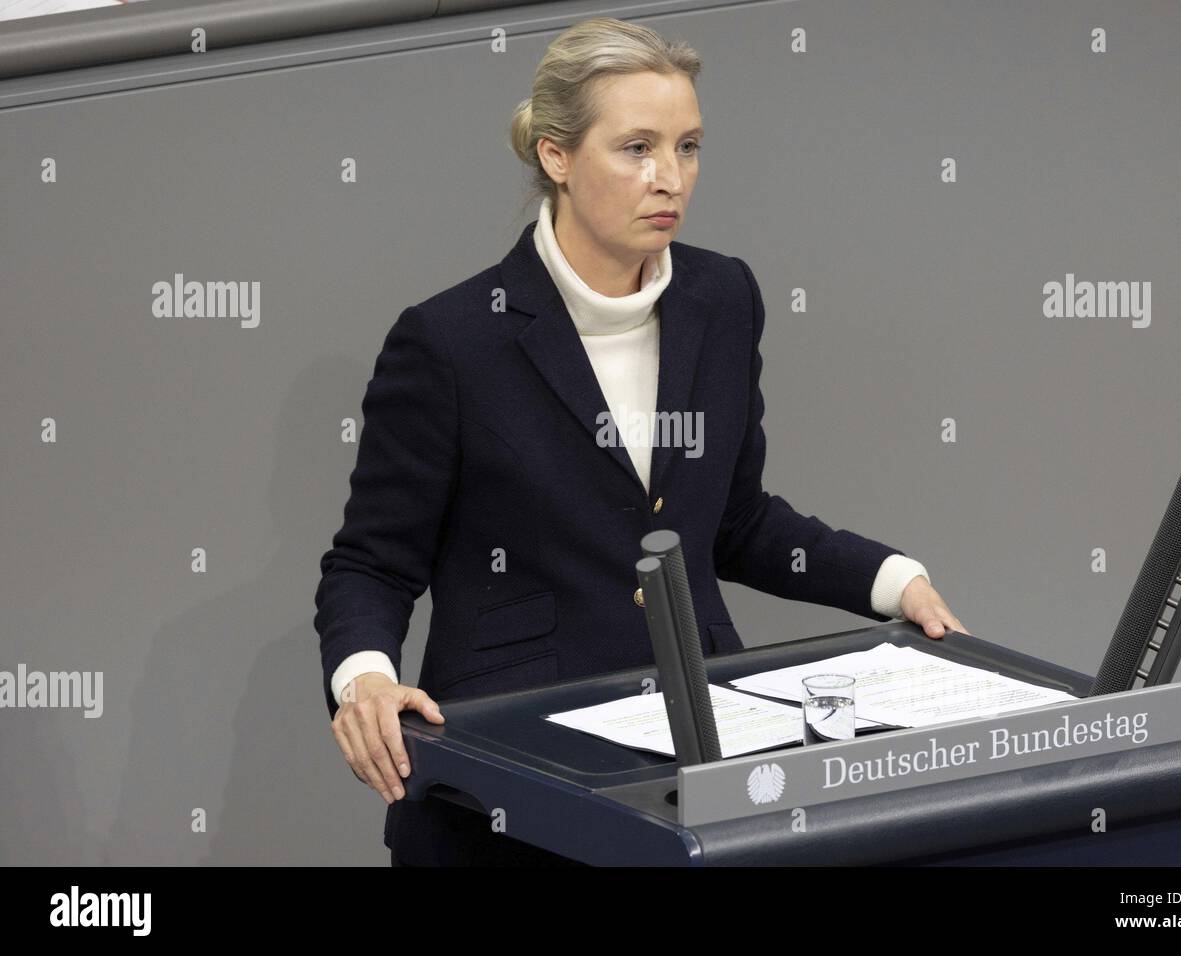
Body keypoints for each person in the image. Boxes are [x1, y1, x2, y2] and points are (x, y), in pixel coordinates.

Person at [313, 16, 968, 868]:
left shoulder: (722, 298)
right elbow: (371, 561)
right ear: (556, 156)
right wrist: (363, 677)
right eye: (637, 149)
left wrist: (892, 579)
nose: (672, 178)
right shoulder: (451, 341)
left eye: (688, 146)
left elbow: (734, 521)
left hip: (703, 766)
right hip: (513, 782)